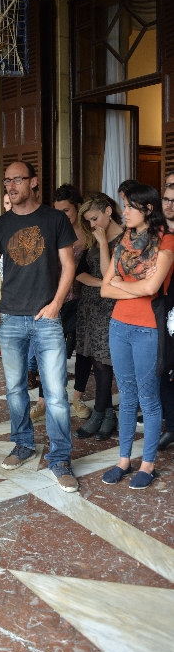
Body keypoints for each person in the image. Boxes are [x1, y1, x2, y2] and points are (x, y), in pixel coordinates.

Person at [0, 161, 79, 493]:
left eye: (17, 180)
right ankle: (23, 443)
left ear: (33, 182)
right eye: (6, 181)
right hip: (10, 317)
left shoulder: (55, 219)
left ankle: (60, 458)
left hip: (46, 318)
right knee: (15, 389)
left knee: (55, 394)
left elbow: (69, 265)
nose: (10, 186)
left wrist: (56, 304)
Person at [101, 184, 174, 488]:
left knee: (149, 398)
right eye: (125, 206)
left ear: (147, 209)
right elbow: (105, 289)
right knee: (127, 397)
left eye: (131, 206)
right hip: (119, 326)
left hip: (148, 329)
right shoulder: (124, 241)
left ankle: (148, 464)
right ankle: (124, 460)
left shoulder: (166, 241)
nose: (125, 212)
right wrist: (131, 286)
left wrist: (121, 283)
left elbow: (151, 288)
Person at [30, 184, 91, 422]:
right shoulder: (51, 231)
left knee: (84, 350)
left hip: (84, 299)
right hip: (55, 299)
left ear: (78, 207)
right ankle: (42, 401)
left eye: (66, 210)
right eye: (58, 211)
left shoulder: (89, 235)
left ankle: (78, 397)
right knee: (50, 351)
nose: (62, 216)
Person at [73, 193, 123, 441]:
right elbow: (79, 273)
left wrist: (104, 244)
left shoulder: (125, 238)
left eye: (94, 218)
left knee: (105, 363)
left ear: (108, 211)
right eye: (89, 221)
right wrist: (100, 284)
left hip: (111, 308)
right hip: (90, 308)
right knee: (95, 361)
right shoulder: (94, 239)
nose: (92, 225)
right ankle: (107, 415)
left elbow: (109, 275)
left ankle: (101, 414)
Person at [158, 172, 174, 450]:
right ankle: (170, 426)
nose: (170, 204)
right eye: (166, 197)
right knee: (164, 367)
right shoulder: (155, 231)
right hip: (161, 306)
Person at [0, 192, 11, 359]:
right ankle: (6, 346)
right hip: (5, 273)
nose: (9, 206)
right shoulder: (1, 225)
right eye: (6, 203)